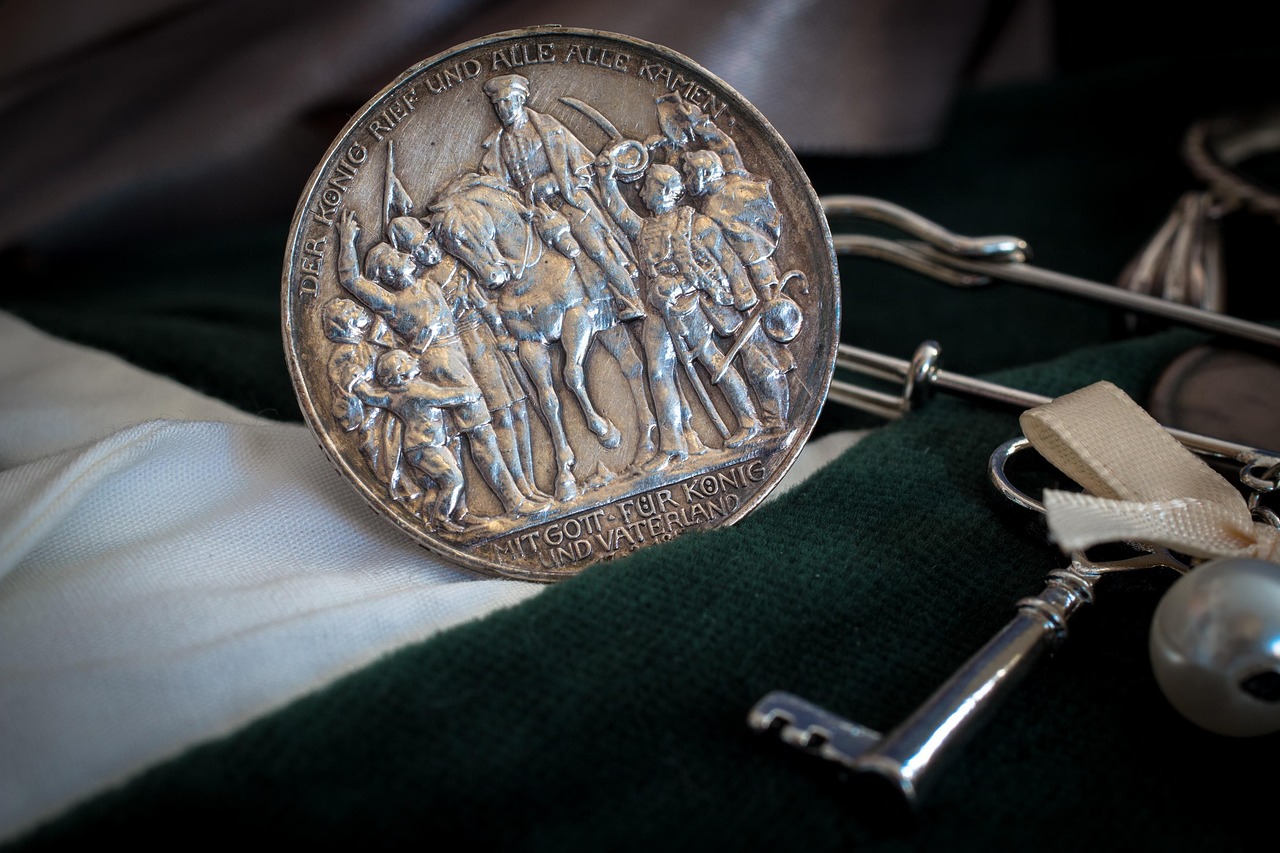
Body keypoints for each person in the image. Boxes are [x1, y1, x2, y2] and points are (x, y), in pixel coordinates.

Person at [336, 209, 546, 521]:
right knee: (480, 431)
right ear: (388, 273)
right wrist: (347, 240)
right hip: (441, 365)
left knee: (480, 430)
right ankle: (513, 502)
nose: (403, 255)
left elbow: (438, 255)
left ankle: (512, 496)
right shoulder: (391, 303)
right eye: (394, 256)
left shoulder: (427, 283)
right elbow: (350, 279)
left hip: (459, 355)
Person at [597, 158, 761, 468]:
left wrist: (681, 286)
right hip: (659, 312)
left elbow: (725, 267)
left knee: (712, 361)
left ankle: (749, 421)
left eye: (646, 188)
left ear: (663, 191)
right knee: (658, 372)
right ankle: (672, 446)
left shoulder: (696, 226)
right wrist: (607, 181)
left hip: (691, 307)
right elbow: (618, 213)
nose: (641, 194)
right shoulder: (646, 228)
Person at [479, 73, 644, 320]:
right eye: (498, 104)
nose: (503, 109)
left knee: (596, 250)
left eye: (508, 101)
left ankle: (632, 301)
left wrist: (553, 182)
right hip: (534, 214)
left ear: (521, 100)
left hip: (568, 202)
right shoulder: (498, 145)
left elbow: (583, 171)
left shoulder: (550, 130)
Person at [682, 150, 795, 432]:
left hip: (748, 296)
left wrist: (766, 292)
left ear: (705, 173)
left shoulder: (719, 205)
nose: (687, 179)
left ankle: (776, 421)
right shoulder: (713, 202)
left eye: (690, 173)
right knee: (756, 359)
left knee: (760, 362)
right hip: (737, 296)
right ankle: (772, 419)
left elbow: (750, 252)